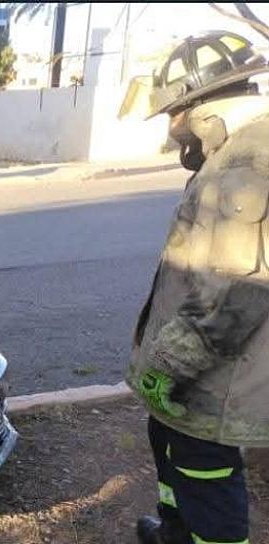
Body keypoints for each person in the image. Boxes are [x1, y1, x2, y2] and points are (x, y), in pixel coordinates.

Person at [129, 31, 269, 544]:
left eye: (175, 115)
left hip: (217, 377)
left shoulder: (249, 162)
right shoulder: (233, 151)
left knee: (206, 471)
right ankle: (175, 531)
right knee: (169, 443)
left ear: (202, 105)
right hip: (200, 370)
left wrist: (168, 364)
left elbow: (238, 290)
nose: (173, 132)